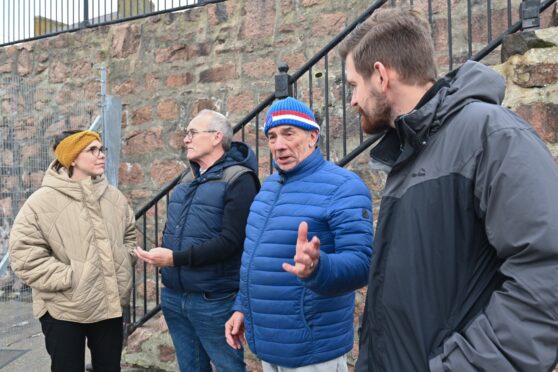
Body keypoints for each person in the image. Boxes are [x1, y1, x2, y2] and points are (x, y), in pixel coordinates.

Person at [339, 7, 558, 372]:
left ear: (380, 76)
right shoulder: (409, 152)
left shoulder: (491, 134)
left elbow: (546, 276)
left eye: (352, 85)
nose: (352, 101)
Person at [225, 97, 374, 371]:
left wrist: (318, 267)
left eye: (288, 133)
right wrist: (241, 306)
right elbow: (255, 260)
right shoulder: (267, 188)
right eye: (272, 136)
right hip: (268, 344)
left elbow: (363, 263)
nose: (278, 145)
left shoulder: (344, 186)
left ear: (313, 136)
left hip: (312, 349)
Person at [135, 109, 259, 372]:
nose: (185, 140)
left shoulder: (239, 179)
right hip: (174, 296)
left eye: (192, 133)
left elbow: (231, 241)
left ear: (217, 137)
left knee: (229, 367)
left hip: (212, 299)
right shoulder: (186, 179)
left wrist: (173, 258)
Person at [9, 130, 136, 372]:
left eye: (102, 149)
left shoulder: (114, 198)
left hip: (109, 304)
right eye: (92, 150)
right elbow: (24, 256)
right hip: (63, 308)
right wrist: (72, 277)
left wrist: (121, 262)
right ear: (72, 158)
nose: (101, 155)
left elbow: (129, 235)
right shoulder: (41, 202)